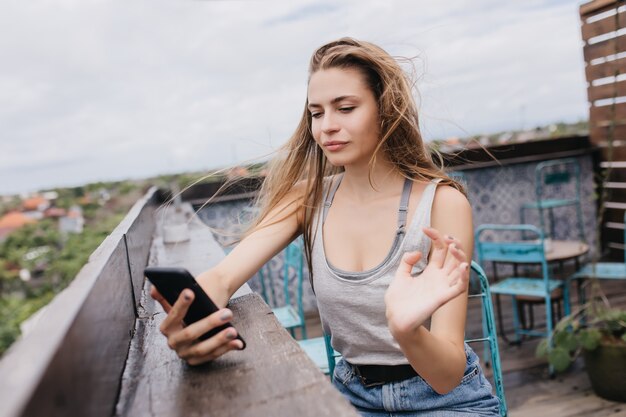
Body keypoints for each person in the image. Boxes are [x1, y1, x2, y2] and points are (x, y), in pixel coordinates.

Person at [152, 37, 501, 416]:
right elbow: (222, 278)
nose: (327, 127)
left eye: (345, 108)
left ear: (386, 110)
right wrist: (192, 324)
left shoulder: (443, 203)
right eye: (316, 113)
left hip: (446, 401)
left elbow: (448, 374)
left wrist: (407, 332)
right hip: (352, 397)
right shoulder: (308, 198)